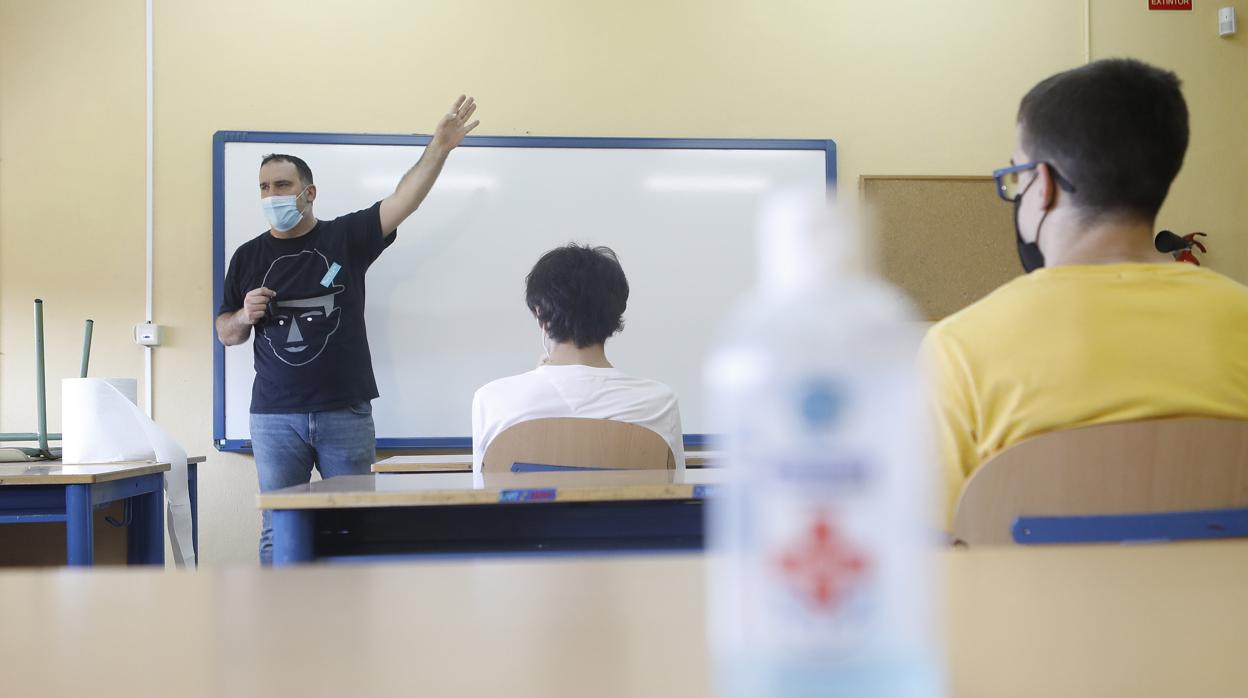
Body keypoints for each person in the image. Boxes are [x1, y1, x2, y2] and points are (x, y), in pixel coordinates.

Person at [921, 59, 1248, 525]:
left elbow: (933, 546)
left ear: (1044, 184)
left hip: (1023, 599)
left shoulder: (959, 351)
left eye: (1017, 174)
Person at [216, 96, 480, 563]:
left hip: (345, 414)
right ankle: (278, 633)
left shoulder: (345, 238)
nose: (272, 195)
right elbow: (225, 334)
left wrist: (438, 148)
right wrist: (242, 316)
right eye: (264, 187)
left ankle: (353, 629)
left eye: (283, 184)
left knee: (356, 528)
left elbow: (403, 201)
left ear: (308, 192)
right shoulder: (246, 257)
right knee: (279, 532)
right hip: (275, 418)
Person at [471, 244, 685, 475]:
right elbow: (676, 493)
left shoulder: (494, 399)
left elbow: (482, 496)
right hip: (626, 513)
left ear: (540, 313)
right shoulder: (659, 402)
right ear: (616, 314)